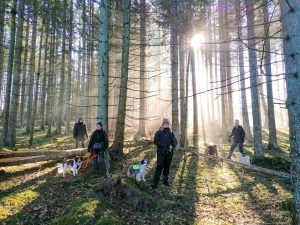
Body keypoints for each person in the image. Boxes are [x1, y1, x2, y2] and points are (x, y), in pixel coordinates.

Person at [151, 118, 177, 189]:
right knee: (159, 167)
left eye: (167, 124)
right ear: (162, 125)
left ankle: (165, 181)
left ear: (168, 125)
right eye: (165, 124)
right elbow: (155, 141)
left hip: (169, 154)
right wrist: (163, 145)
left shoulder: (171, 133)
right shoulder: (158, 132)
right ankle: (155, 183)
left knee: (167, 167)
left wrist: (172, 145)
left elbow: (175, 142)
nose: (166, 125)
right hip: (161, 153)